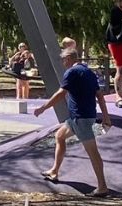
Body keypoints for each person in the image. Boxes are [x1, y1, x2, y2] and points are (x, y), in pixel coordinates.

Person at [34, 39, 112, 195]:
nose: (63, 62)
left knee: (92, 151)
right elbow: (99, 95)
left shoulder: (71, 72)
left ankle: (102, 186)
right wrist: (105, 116)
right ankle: (54, 171)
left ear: (68, 58)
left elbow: (61, 93)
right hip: (83, 116)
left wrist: (43, 108)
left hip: (80, 116)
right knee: (59, 136)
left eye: (63, 59)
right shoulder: (89, 72)